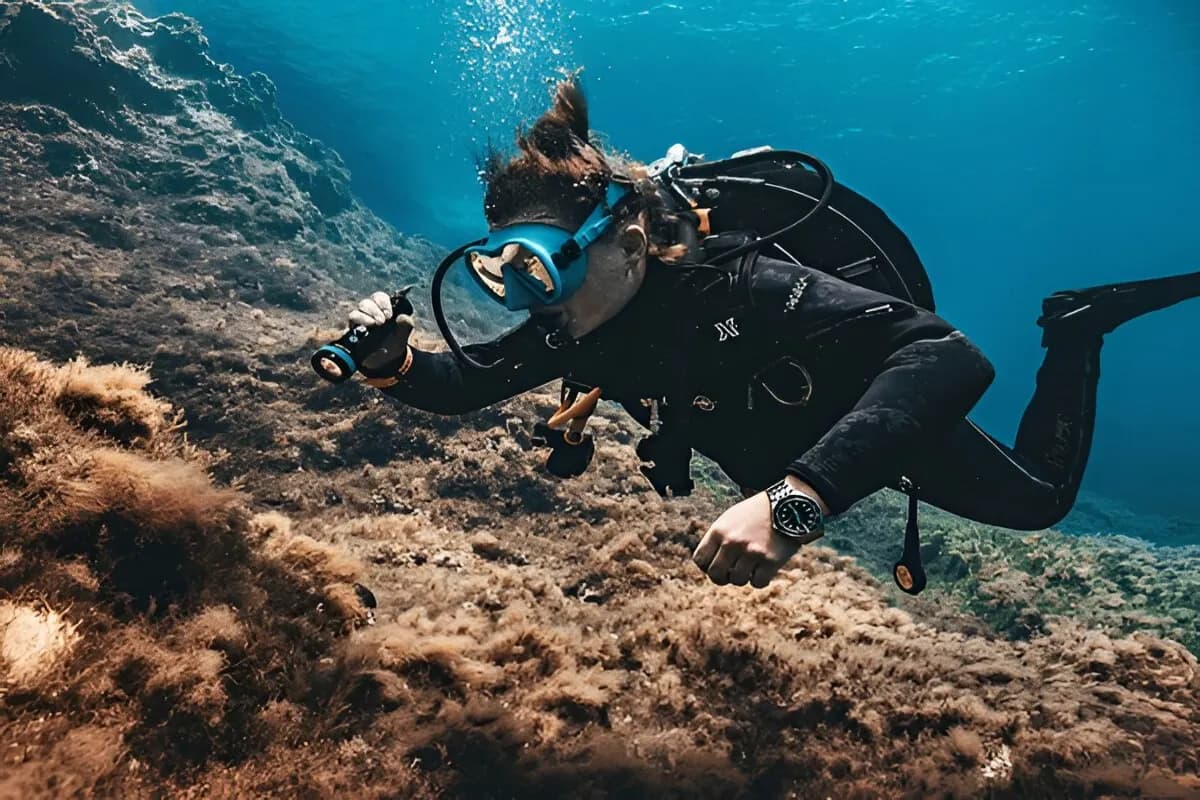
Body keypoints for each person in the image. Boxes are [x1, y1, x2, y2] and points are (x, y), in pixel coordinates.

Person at [330, 77, 1200, 592]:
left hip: (866, 414)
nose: (526, 299)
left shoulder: (739, 285)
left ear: (629, 240)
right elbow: (465, 384)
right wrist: (391, 364)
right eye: (500, 272)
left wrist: (797, 502)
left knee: (1041, 501)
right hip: (785, 446)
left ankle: (1079, 329)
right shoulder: (574, 325)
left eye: (540, 265)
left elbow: (948, 355)